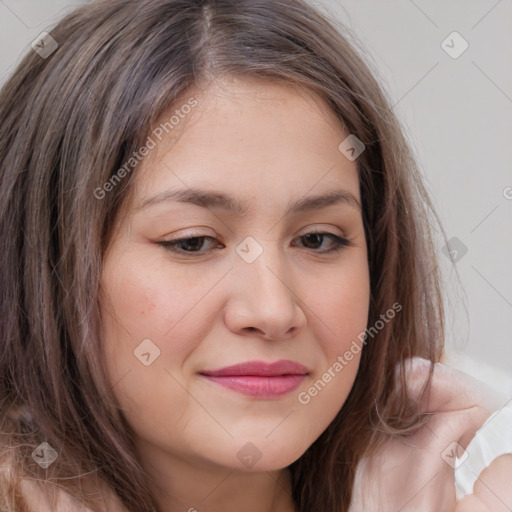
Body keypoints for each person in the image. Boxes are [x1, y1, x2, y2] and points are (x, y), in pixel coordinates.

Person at [0, 1, 510, 511]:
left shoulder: (480, 474)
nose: (272, 311)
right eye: (192, 242)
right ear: (44, 266)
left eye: (317, 239)